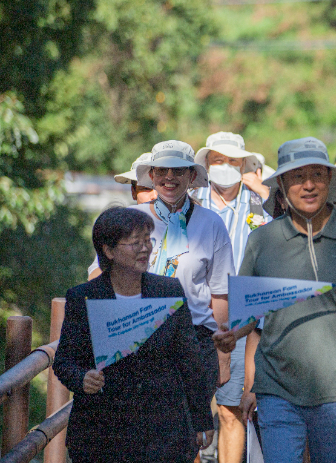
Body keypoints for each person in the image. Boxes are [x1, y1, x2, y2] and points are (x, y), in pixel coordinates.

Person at [236, 137, 336, 463]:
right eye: (297, 176)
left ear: (331, 181)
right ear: (281, 184)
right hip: (277, 391)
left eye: (317, 175)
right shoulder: (261, 241)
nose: (308, 185)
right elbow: (247, 320)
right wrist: (244, 376)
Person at [53, 207, 215, 462]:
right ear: (108, 251)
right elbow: (64, 361)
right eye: (134, 242)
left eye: (147, 240)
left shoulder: (169, 291)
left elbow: (190, 360)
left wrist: (201, 419)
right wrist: (82, 378)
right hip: (101, 434)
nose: (145, 248)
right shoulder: (84, 297)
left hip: (162, 432)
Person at [134, 140, 238, 400]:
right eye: (162, 170)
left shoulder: (211, 224)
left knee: (189, 429)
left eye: (178, 170)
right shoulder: (130, 219)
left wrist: (223, 357)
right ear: (151, 175)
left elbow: (221, 292)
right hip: (137, 334)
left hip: (193, 339)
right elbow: (102, 275)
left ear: (192, 176)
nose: (169, 177)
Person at [194, 132, 272, 463]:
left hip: (243, 322)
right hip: (195, 317)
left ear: (245, 166)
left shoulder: (261, 206)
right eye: (217, 160)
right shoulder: (191, 201)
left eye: (232, 161)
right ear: (206, 164)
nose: (224, 167)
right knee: (186, 411)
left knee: (231, 410)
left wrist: (263, 189)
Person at [88, 152, 157, 280]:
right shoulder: (122, 227)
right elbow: (95, 275)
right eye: (147, 188)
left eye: (161, 187)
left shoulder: (189, 226)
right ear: (133, 192)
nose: (154, 195)